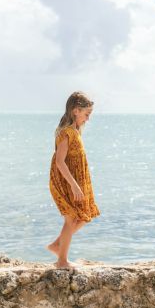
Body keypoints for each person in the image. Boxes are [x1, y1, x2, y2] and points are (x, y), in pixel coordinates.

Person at [47, 91, 100, 268]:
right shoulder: (66, 132)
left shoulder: (76, 131)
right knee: (71, 218)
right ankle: (62, 260)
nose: (87, 119)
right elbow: (60, 162)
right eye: (87, 114)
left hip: (76, 180)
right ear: (76, 111)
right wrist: (75, 186)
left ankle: (57, 245)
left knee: (85, 214)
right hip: (66, 180)